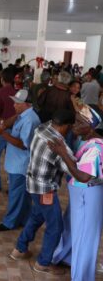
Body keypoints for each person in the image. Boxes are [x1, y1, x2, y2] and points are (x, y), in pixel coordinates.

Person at [8, 109, 89, 275]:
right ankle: (43, 263)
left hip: (32, 183)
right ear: (66, 126)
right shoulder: (57, 146)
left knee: (37, 216)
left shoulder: (43, 128)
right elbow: (75, 170)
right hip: (45, 190)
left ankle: (20, 249)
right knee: (55, 226)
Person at [51, 105, 103, 281]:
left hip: (87, 197)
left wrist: (62, 153)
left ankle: (81, 277)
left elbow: (83, 176)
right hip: (81, 197)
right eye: (76, 119)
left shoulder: (96, 148)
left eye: (80, 122)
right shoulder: (85, 140)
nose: (74, 124)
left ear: (91, 126)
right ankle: (68, 260)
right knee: (75, 234)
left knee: (84, 241)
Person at [0, 89, 40, 231]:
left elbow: (23, 144)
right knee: (23, 196)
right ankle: (24, 219)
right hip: (17, 162)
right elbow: (10, 122)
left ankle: (10, 222)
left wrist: (2, 134)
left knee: (16, 194)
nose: (14, 106)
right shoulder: (23, 115)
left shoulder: (30, 120)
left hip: (21, 164)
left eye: (17, 103)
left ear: (26, 104)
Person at [0, 68, 17, 191]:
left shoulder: (0, 93)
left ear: (2, 79)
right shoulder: (18, 92)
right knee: (11, 158)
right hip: (16, 129)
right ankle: (11, 185)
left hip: (2, 129)